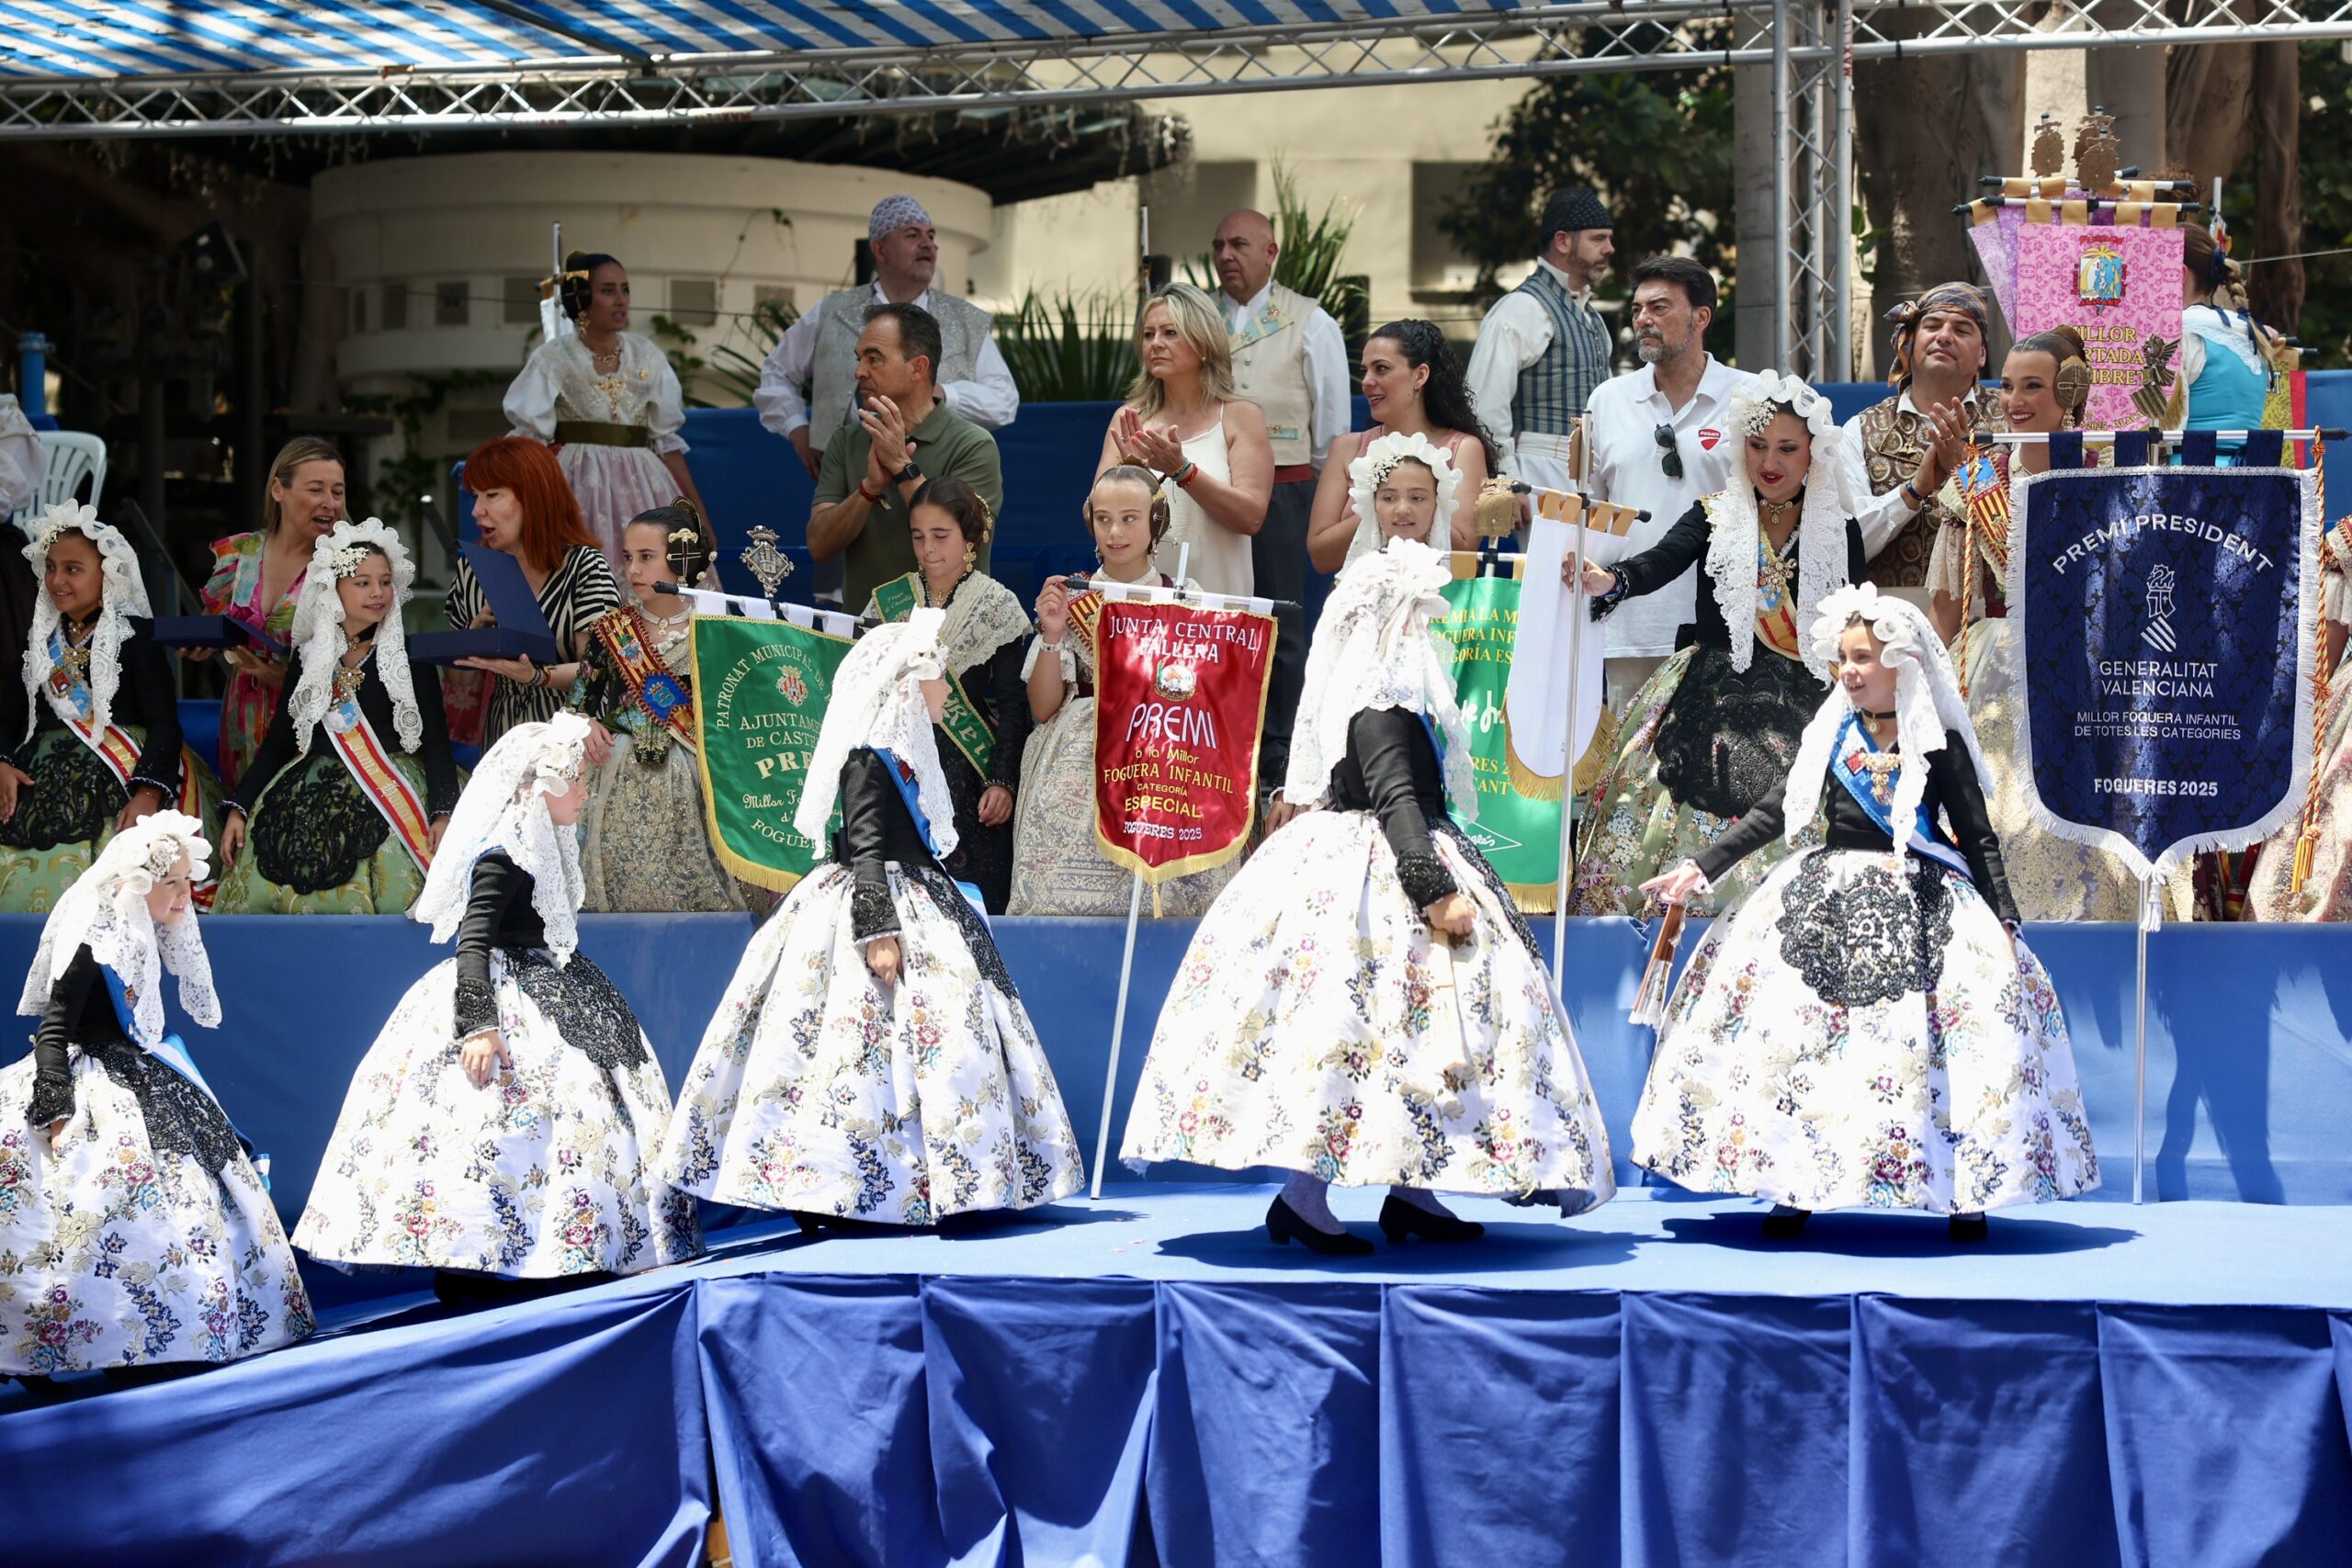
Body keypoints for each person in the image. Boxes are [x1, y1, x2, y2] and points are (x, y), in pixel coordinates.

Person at [1121, 537, 1616, 1253]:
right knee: (1351, 1031)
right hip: (1380, 869)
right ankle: (1302, 1196)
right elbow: (1395, 799)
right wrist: (1433, 891)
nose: (1427, 631)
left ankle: (1412, 1191)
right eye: (1419, 617)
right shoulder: (1381, 703)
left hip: (1372, 859)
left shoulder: (1393, 699)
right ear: (1392, 621)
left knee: (1403, 1033)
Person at [1632, 587, 2098, 1240]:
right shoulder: (1831, 734)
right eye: (1843, 658)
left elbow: (1978, 836)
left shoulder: (1936, 740)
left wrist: (2005, 920)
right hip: (1825, 896)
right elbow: (1773, 812)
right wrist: (1701, 866)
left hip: (1923, 899)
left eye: (1863, 658)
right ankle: (1793, 1181)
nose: (1848, 671)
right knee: (1801, 1040)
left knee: (1945, 1044)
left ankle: (1963, 1187)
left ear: (1904, 663)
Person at [657, 608, 1083, 1230]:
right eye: (938, 677)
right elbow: (864, 847)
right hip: (874, 903)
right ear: (905, 683)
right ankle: (843, 1183)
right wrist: (877, 931)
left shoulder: (906, 754)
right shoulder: (869, 757)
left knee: (929, 1046)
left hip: (916, 897)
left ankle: (928, 1179)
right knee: (852, 1052)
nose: (946, 690)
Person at [294, 714, 701, 1293]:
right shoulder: (504, 852)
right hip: (505, 991)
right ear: (542, 785)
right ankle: (479, 1256)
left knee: (580, 1109)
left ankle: (569, 1241)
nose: (586, 792)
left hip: (549, 980)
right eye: (577, 779)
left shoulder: (541, 839)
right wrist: (479, 1025)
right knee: (496, 1125)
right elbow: (474, 941)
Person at [0, 813, 312, 1378]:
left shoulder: (138, 933)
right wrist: (56, 1106)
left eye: (187, 882)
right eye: (172, 883)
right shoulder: (96, 938)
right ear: (136, 886)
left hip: (139, 1070)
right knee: (97, 1199)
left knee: (185, 1190)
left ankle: (170, 1327)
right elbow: (54, 1028)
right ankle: (80, 1337)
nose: (184, 895)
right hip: (91, 1078)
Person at [1568, 373, 1866, 917]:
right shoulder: (1713, 514)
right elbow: (1661, 560)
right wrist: (1614, 580)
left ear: (1814, 452)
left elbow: (1854, 622)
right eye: (1757, 445)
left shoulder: (1837, 530)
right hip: (1710, 692)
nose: (1769, 462)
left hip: (1805, 696)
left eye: (1787, 448)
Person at [1009, 466, 1235, 916]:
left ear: (1155, 522)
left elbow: (1210, 696)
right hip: (1082, 750)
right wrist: (1052, 633)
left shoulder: (1184, 595)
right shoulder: (1073, 597)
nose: (1115, 532)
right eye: (1104, 519)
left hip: (1166, 747)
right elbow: (1044, 707)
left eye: (1129, 518)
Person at [214, 521, 459, 915]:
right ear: (332, 590)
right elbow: (279, 742)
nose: (378, 592)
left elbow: (435, 743)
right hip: (309, 789)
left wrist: (443, 813)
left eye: (385, 582)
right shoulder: (308, 657)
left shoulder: (412, 658)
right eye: (363, 583)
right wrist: (239, 807)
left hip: (390, 785)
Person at [0, 504, 220, 913]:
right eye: (51, 568)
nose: (57, 580)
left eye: (73, 569)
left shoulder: (134, 637)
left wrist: (148, 793)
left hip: (123, 772)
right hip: (42, 775)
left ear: (107, 574)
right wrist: (3, 763)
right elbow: (8, 713)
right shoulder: (39, 641)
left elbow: (164, 724)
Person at [1210, 209, 1351, 791]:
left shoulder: (1310, 320)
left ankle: (1282, 746)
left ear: (1270, 252)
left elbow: (1333, 424)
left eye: (1239, 244)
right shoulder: (1199, 317)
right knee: (1216, 612)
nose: (1226, 255)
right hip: (1209, 486)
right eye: (1218, 245)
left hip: (1287, 486)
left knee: (1281, 618)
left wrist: (1318, 490)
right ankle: (1217, 734)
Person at [857, 475, 1032, 915]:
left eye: (940, 536)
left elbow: (1014, 705)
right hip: (900, 773)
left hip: (968, 781)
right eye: (918, 536)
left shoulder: (997, 605)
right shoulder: (888, 603)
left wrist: (1002, 782)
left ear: (969, 537)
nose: (928, 549)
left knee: (970, 908)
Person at [756, 194, 1018, 481]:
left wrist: (941, 393)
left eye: (931, 236)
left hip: (940, 483)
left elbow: (1004, 401)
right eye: (912, 235)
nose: (928, 244)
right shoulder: (830, 313)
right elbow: (777, 373)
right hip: (847, 481)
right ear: (880, 249)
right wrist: (796, 428)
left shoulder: (966, 320)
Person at [1581, 256, 1743, 712]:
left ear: (1701, 317)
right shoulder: (1607, 399)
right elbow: (1591, 511)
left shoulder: (1749, 396)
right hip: (1631, 622)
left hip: (1727, 624)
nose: (1643, 320)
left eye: (1659, 307)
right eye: (1637, 310)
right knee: (1629, 759)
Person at [570, 502, 746, 913]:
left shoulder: (718, 628)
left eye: (646, 557)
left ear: (682, 561)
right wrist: (584, 725)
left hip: (698, 784)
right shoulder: (612, 630)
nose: (633, 570)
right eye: (628, 557)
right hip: (614, 781)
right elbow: (576, 705)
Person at [503, 250, 712, 575]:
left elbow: (667, 444)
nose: (621, 300)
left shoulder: (647, 355)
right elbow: (528, 444)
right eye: (608, 290)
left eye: (625, 289)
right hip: (576, 488)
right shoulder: (553, 359)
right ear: (582, 298)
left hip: (644, 485)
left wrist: (699, 518)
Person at [809, 302, 1006, 615]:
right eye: (859, 359)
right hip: (864, 638)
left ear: (917, 368)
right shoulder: (847, 441)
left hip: (948, 635)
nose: (859, 372)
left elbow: (961, 541)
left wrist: (902, 467)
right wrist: (868, 489)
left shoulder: (973, 445)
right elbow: (819, 545)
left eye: (874, 359)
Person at [1096, 283, 1274, 604]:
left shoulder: (1240, 416)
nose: (1156, 343)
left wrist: (1182, 471)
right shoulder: (1129, 417)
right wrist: (1129, 473)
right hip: (1139, 609)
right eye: (1148, 335)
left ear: (1204, 344)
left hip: (1216, 610)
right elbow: (1091, 514)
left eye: (1170, 333)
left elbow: (1251, 517)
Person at [443, 436, 624, 746]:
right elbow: (459, 681)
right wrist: (475, 636)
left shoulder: (584, 565)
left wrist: (537, 676)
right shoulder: (472, 570)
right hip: (504, 742)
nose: (476, 510)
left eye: (492, 495)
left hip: (575, 737)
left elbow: (598, 670)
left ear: (533, 497)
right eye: (474, 496)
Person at [198, 436, 345, 786]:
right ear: (278, 489)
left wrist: (285, 679)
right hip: (241, 720)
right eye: (316, 490)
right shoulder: (241, 553)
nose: (330, 503)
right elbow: (212, 622)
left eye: (338, 492)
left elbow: (361, 663)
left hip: (310, 729)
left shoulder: (345, 566)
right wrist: (200, 643)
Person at [1836, 282, 1991, 591]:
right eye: (1932, 326)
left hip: (1992, 614)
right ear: (1907, 342)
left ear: (1982, 354)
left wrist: (1968, 474)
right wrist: (1913, 491)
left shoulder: (2012, 419)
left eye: (1962, 330)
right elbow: (1843, 547)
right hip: (1887, 615)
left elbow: (2029, 531)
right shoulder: (1861, 429)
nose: (1944, 336)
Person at [1306, 318, 1494, 571]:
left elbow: (1464, 553)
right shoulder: (1346, 448)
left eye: (1381, 369)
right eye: (1365, 371)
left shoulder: (1463, 448)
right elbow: (1321, 557)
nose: (1367, 381)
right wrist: (1379, 505)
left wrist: (1405, 503)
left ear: (1420, 375)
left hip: (1436, 592)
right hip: (1360, 592)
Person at [1464, 186, 1616, 498]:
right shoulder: (1521, 308)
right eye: (1598, 239)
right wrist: (1508, 479)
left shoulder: (1592, 317)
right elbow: (1483, 405)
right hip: (1537, 469)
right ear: (1562, 241)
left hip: (1591, 475)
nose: (1610, 248)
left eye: (1609, 239)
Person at [2178, 224, 2290, 435]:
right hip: (2251, 458)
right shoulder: (2250, 330)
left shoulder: (2179, 332)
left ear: (2180, 274)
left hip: (2190, 457)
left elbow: (2158, 429)